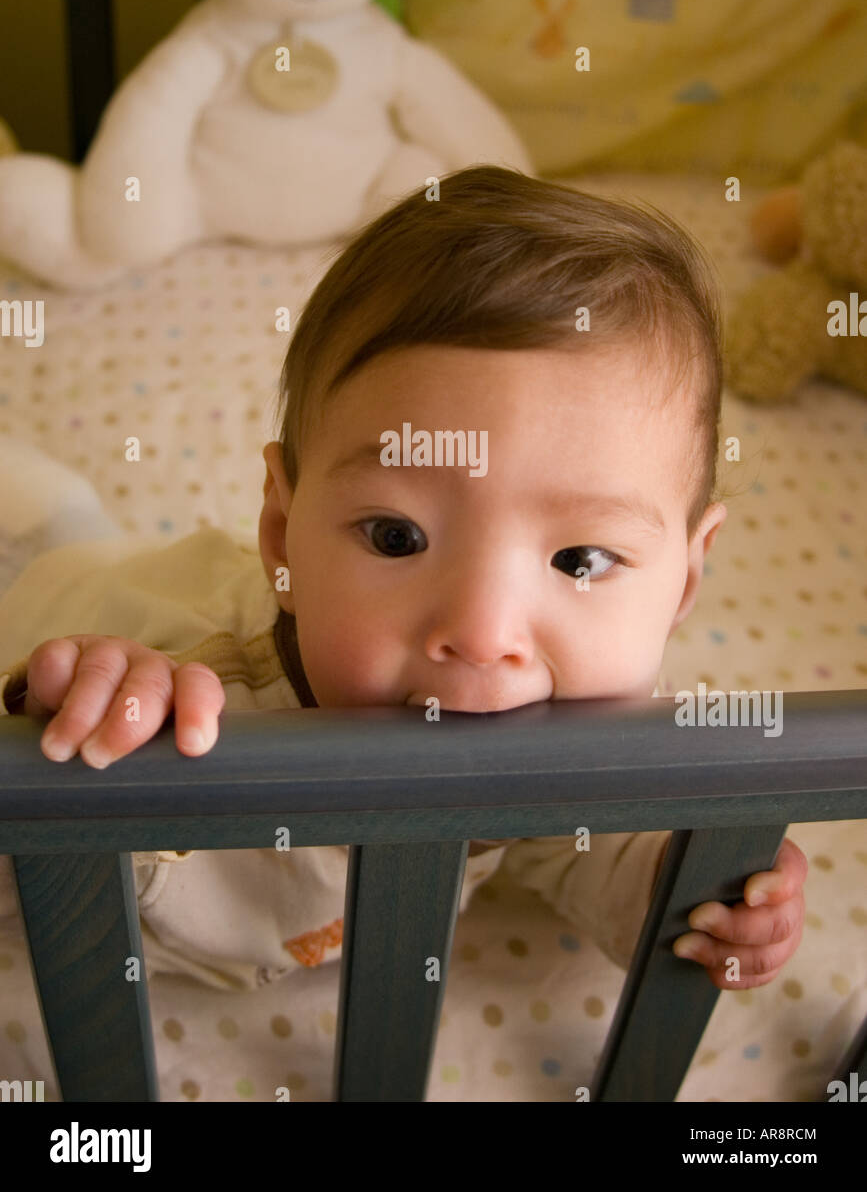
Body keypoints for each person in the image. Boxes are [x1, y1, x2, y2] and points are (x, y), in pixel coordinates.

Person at [0, 165, 806, 993]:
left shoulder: (583, 724)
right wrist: (68, 723)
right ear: (281, 534)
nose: (483, 633)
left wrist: (699, 888)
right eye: (397, 536)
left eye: (580, 562)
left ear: (680, 582)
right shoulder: (201, 699)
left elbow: (582, 849)